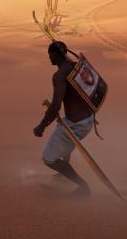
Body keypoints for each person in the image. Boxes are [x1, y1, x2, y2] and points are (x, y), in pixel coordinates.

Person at [33, 41, 94, 196]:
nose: (49, 58)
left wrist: (41, 126)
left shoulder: (59, 76)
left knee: (48, 159)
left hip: (76, 125)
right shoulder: (76, 67)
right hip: (88, 119)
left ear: (55, 55)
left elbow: (55, 107)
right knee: (63, 132)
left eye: (49, 55)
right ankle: (63, 172)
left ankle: (83, 187)